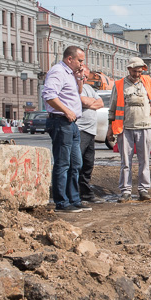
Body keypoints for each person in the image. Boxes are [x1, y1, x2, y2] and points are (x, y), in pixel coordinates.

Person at [107, 57, 151, 202]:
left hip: (145, 127)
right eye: (135, 71)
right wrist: (110, 129)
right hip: (125, 128)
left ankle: (143, 190)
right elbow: (112, 109)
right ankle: (125, 191)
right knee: (126, 162)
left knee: (144, 161)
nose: (137, 74)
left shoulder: (148, 81)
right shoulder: (119, 85)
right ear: (129, 69)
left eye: (140, 71)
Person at [42, 45, 90, 214]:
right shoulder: (58, 71)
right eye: (80, 60)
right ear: (70, 59)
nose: (82, 64)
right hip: (61, 122)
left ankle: (74, 199)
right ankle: (62, 202)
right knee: (63, 163)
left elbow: (76, 93)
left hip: (72, 124)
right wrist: (66, 110)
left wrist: (79, 78)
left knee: (76, 163)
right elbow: (49, 95)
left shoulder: (70, 74)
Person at [78, 65, 105, 203]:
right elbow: (80, 101)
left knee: (88, 163)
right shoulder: (75, 87)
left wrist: (89, 104)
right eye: (83, 75)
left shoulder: (88, 88)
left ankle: (86, 193)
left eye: (86, 76)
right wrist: (88, 103)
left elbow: (99, 103)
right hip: (80, 129)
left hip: (91, 131)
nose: (85, 78)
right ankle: (76, 194)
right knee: (78, 162)